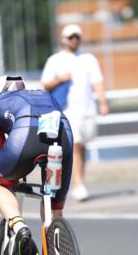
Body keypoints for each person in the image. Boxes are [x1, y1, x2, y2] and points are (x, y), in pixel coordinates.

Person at [0, 75, 73, 255]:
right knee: (54, 207)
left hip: (24, 135)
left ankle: (19, 226)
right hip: (63, 135)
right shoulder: (40, 94)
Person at [41, 24, 109, 202]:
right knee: (75, 145)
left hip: (87, 109)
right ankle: (78, 184)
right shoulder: (55, 60)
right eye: (71, 37)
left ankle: (79, 181)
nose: (74, 40)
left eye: (77, 36)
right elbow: (45, 84)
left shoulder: (88, 59)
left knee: (82, 146)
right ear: (64, 39)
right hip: (67, 110)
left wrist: (103, 102)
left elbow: (98, 82)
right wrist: (60, 79)